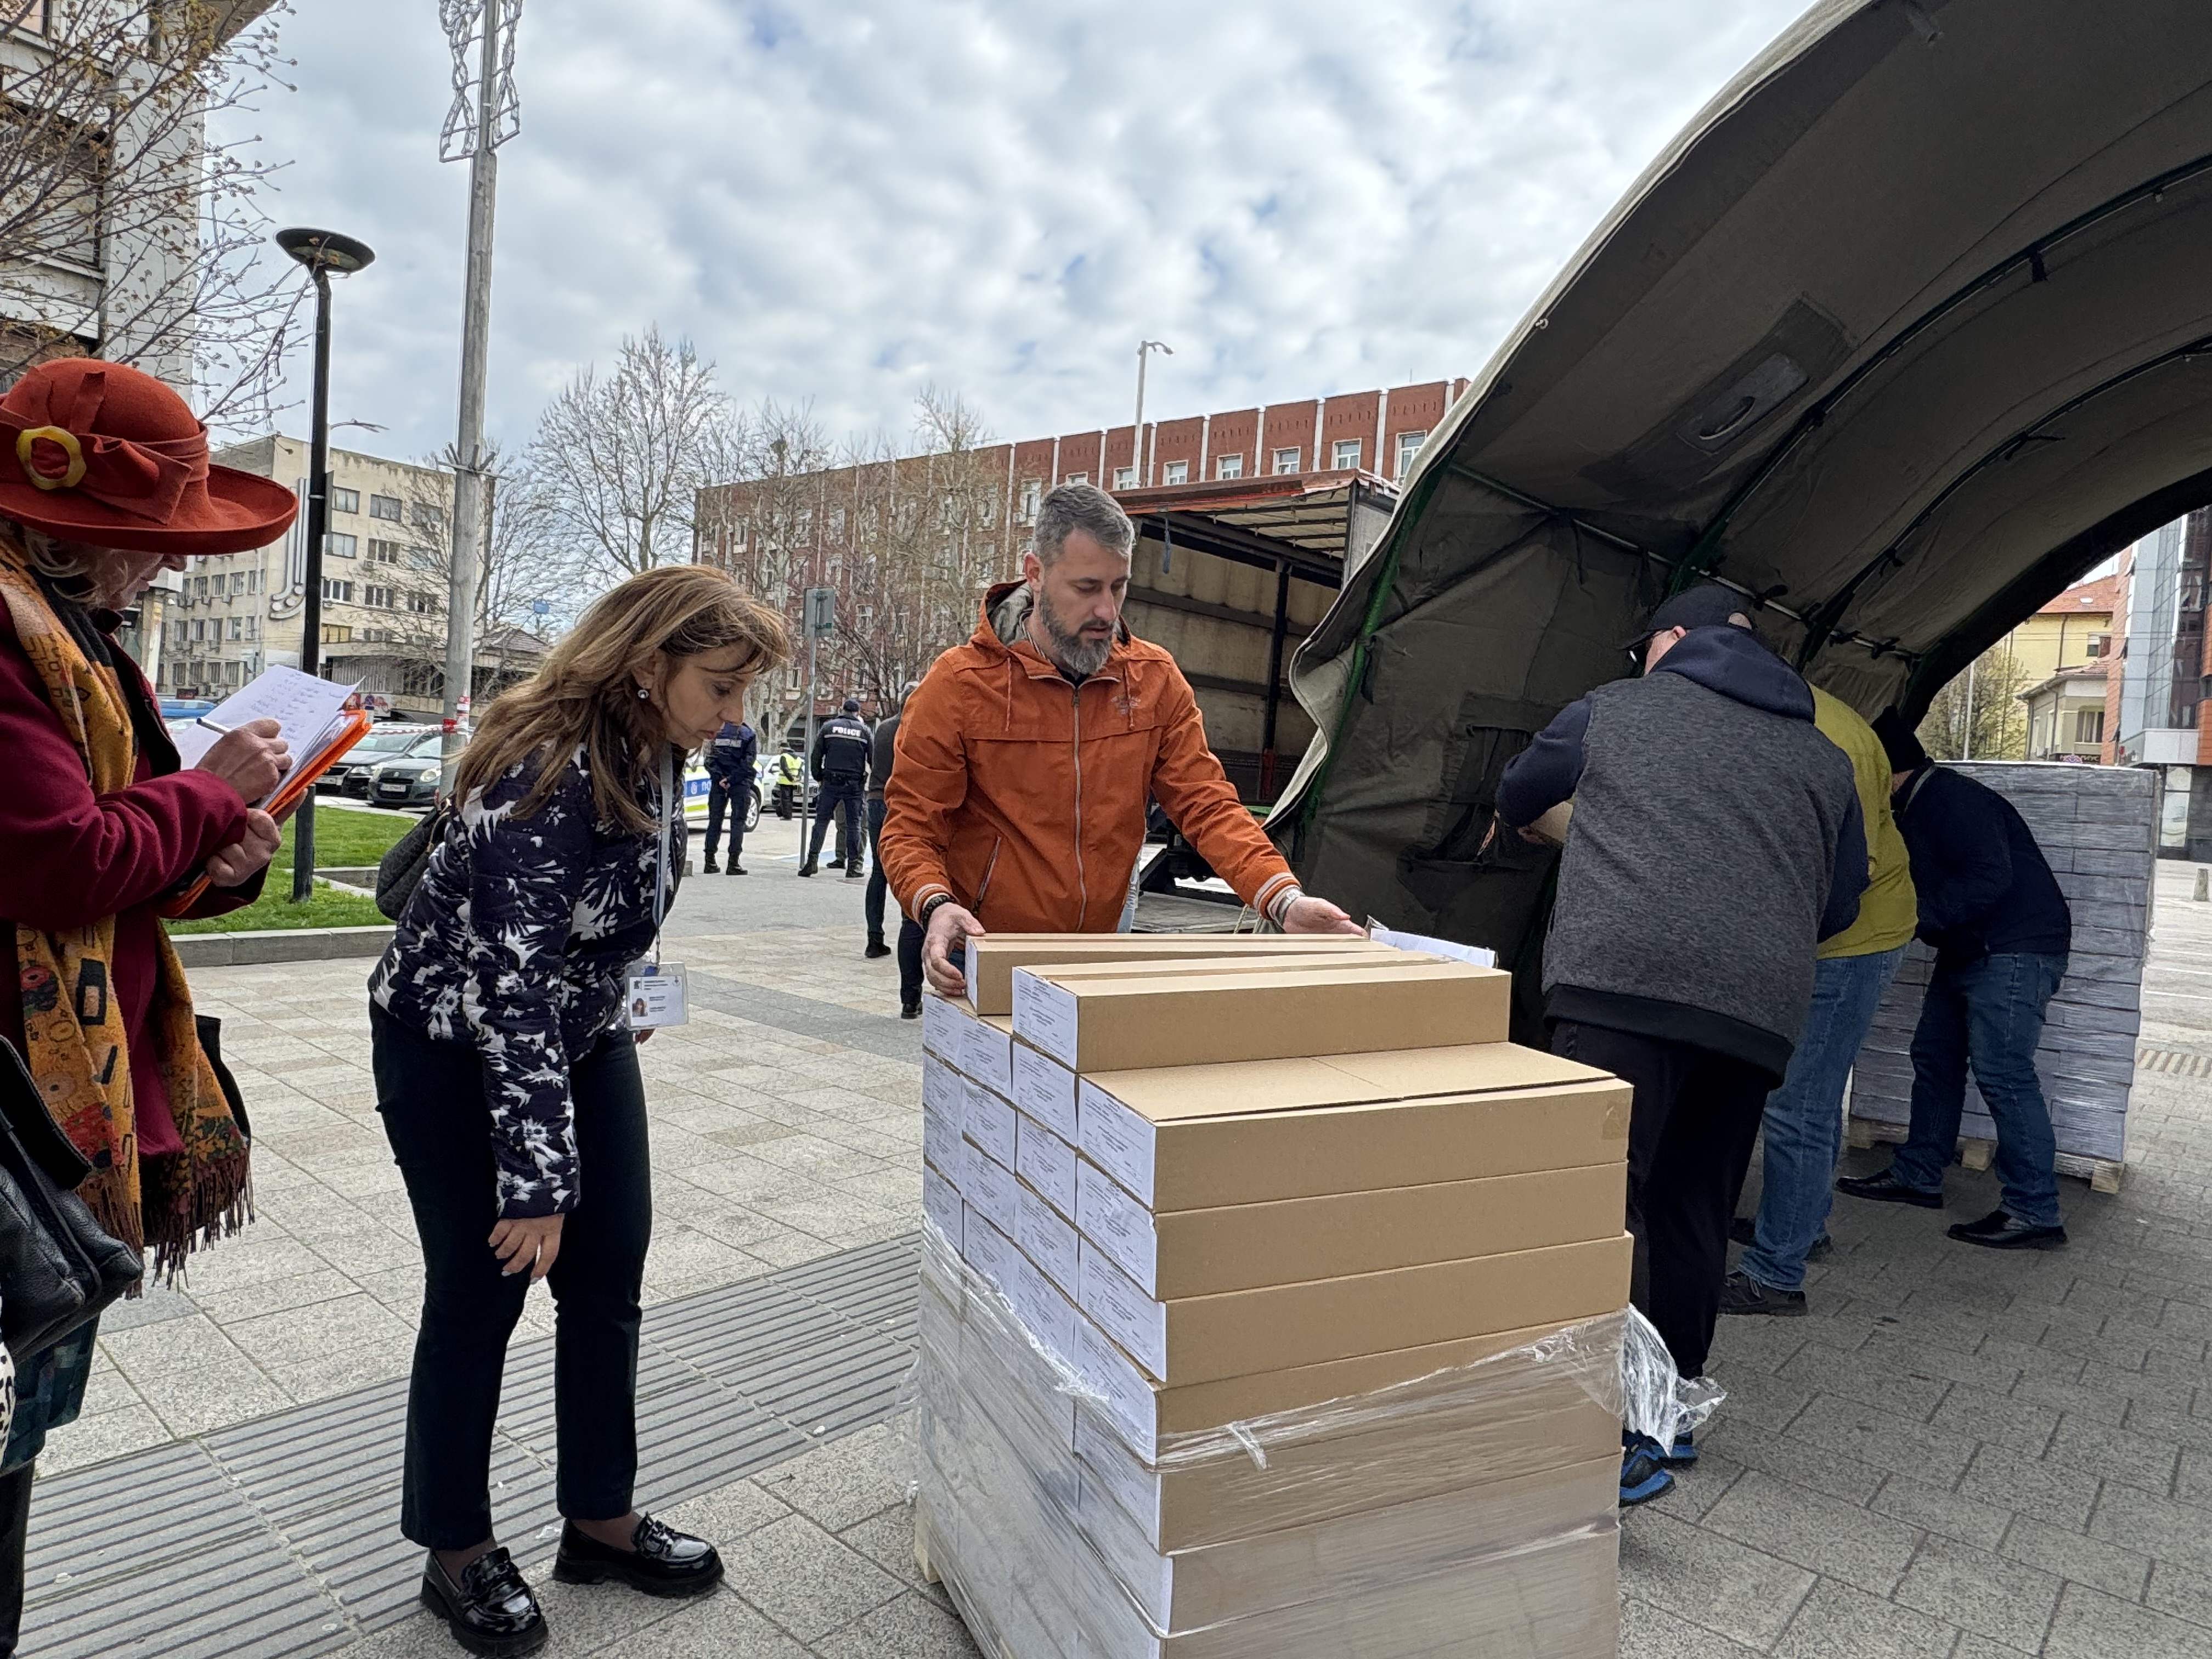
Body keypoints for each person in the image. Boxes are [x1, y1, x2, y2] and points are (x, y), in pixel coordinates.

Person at [369, 565, 790, 1656]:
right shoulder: (542, 767)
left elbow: (613, 909)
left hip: (577, 1029)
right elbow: (508, 989)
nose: (736, 714)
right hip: (453, 1042)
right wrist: (537, 1184)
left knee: (609, 1274)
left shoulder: (654, 742)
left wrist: (623, 995)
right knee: (482, 1287)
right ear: (647, 664)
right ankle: (455, 1547)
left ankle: (599, 1519)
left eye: (745, 690)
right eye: (722, 685)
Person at [0, 359, 293, 1656]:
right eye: (152, 539)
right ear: (67, 526)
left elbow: (119, 867)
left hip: (46, 1108)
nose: (167, 566)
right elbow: (56, 859)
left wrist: (218, 861)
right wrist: (213, 792)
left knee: (17, 1448)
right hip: (17, 1119)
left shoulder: (64, 630)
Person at [1494, 583, 1865, 1507]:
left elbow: (1518, 793)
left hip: (1620, 985)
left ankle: (1602, 1425)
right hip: (1752, 1013)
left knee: (1598, 1198)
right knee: (1695, 1204)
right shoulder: (1823, 756)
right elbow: (1840, 901)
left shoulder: (1613, 710)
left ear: (1669, 639)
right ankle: (1670, 1411)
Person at [880, 483, 1362, 993]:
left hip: (1099, 949)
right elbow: (910, 826)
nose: (1108, 611)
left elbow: (1207, 804)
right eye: (1087, 588)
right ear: (1036, 573)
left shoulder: (1153, 679)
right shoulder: (959, 685)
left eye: (1119, 586)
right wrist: (934, 902)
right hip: (983, 948)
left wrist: (1282, 899)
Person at [1836, 712, 2072, 1250]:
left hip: (2011, 951)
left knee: (2005, 1075)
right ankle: (1918, 1174)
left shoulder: (1952, 800)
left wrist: (1916, 919)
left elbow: (1990, 875)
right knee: (1935, 1057)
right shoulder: (1920, 804)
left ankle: (2034, 1211)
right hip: (1971, 948)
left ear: (1886, 772)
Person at [1720, 687, 1918, 1317]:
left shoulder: (1832, 738)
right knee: (1808, 1097)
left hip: (1851, 941)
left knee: (1797, 1103)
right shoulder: (1777, 711)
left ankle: (1776, 1274)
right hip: (1827, 933)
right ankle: (1801, 1227)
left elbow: (1847, 877)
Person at [863, 687, 926, 1016]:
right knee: (911, 891)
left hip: (876, 802)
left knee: (878, 873)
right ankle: (911, 997)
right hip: (904, 807)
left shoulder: (884, 728)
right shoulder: (920, 727)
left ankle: (874, 937)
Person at [799, 697, 870, 878]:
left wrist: (819, 776)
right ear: (857, 713)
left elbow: (816, 755)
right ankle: (853, 867)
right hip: (854, 785)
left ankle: (812, 862)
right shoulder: (864, 731)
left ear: (842, 710)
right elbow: (873, 759)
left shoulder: (828, 727)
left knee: (821, 823)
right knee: (854, 825)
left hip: (830, 782)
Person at [702, 714, 755, 874]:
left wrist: (721, 778)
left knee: (715, 821)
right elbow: (748, 762)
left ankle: (709, 862)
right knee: (738, 822)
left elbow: (709, 760)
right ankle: (733, 863)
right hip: (740, 783)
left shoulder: (716, 731)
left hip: (718, 784)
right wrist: (732, 780)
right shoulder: (748, 734)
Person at [771, 745, 803, 818]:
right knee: (790, 799)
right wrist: (797, 778)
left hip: (785, 781)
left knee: (785, 799)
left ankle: (787, 816)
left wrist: (791, 778)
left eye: (780, 749)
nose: (779, 751)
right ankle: (784, 813)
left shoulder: (784, 757)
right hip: (795, 782)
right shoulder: (798, 758)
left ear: (783, 749)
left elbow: (785, 769)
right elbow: (800, 770)